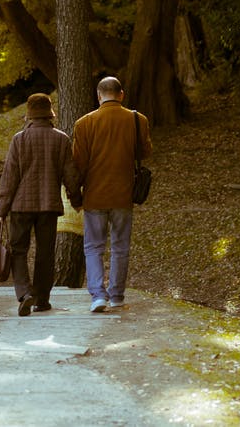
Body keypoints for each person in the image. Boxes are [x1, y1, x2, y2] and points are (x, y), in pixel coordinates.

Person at [0, 93, 82, 316]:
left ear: (30, 115)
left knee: (18, 250)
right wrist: (76, 199)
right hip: (48, 206)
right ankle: (42, 299)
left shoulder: (19, 140)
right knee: (46, 252)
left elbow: (9, 178)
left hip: (21, 206)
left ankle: (24, 294)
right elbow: (70, 174)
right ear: (49, 114)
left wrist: (1, 210)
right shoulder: (61, 139)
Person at [72, 76, 152, 313]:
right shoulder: (138, 120)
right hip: (123, 194)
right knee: (120, 247)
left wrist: (76, 194)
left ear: (99, 96)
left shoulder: (84, 123)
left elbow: (79, 163)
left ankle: (98, 295)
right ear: (121, 94)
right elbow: (145, 152)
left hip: (95, 195)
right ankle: (117, 294)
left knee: (94, 246)